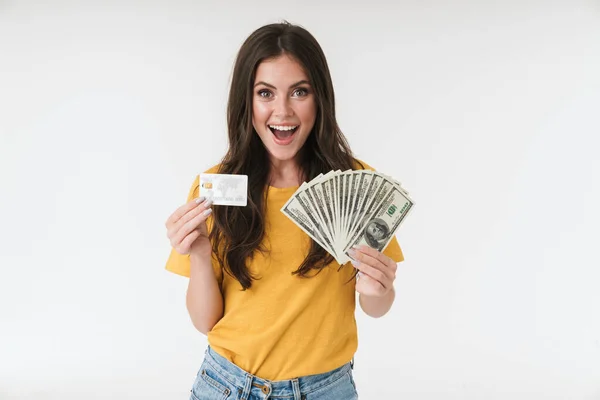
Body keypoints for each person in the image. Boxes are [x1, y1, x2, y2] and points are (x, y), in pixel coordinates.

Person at [164, 21, 405, 400]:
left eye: (299, 92)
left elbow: (376, 307)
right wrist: (198, 254)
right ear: (247, 101)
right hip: (226, 384)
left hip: (326, 389)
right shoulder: (216, 189)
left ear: (319, 98)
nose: (283, 111)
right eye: (265, 93)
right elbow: (205, 321)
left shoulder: (357, 185)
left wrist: (379, 287)